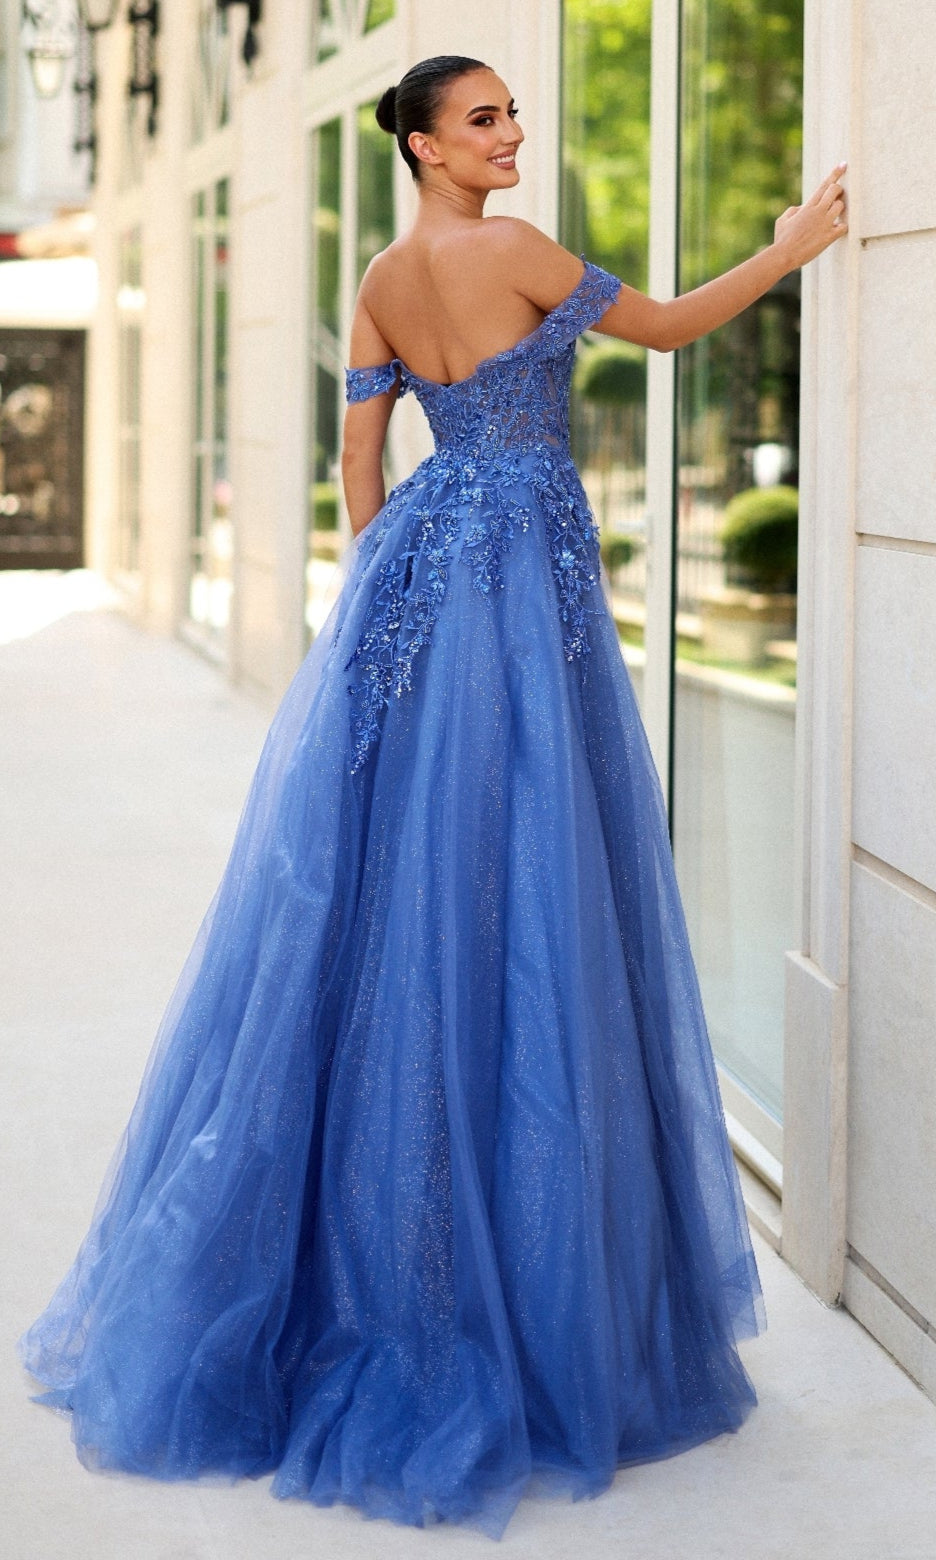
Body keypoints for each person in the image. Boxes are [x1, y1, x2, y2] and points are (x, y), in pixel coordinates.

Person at [18, 53, 847, 1543]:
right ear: (421, 143)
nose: (511, 135)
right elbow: (659, 330)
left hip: (422, 572)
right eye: (485, 121)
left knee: (403, 874)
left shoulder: (387, 280)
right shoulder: (513, 252)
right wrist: (788, 251)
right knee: (533, 863)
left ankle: (379, 1256)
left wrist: (381, 603)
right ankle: (521, 1290)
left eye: (512, 115)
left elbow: (356, 457)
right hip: (525, 579)